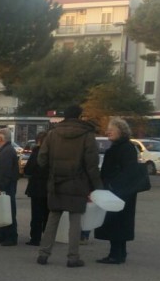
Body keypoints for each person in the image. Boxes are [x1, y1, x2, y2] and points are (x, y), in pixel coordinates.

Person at [36, 104, 102, 268]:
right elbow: (92, 163)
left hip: (56, 181)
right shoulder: (87, 135)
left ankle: (44, 254)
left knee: (53, 218)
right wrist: (97, 185)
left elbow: (41, 159)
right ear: (79, 116)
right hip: (77, 182)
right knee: (75, 220)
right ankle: (73, 257)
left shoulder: (52, 134)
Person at [94, 117, 140, 265]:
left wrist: (113, 185)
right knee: (119, 222)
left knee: (116, 222)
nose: (108, 132)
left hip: (118, 191)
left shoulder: (124, 148)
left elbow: (127, 171)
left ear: (120, 131)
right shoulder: (123, 147)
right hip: (119, 191)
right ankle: (120, 252)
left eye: (111, 129)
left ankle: (115, 254)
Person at [0, 128, 20, 246]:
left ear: (1, 138)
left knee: (8, 210)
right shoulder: (5, 150)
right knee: (1, 210)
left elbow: (5, 172)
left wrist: (0, 187)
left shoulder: (7, 151)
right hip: (4, 185)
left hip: (6, 186)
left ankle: (11, 236)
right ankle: (1, 234)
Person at [23, 130, 49, 246]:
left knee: (37, 214)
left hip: (37, 187)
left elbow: (28, 169)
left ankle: (35, 238)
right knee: (47, 214)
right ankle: (48, 236)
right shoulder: (53, 153)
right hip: (49, 187)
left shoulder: (37, 152)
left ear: (38, 141)